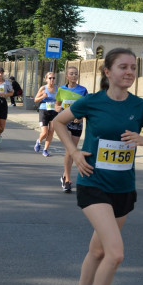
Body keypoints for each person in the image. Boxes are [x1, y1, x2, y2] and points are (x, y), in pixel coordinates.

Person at [53, 48, 143, 285]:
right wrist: (74, 153)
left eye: (133, 68)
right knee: (115, 253)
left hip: (123, 189)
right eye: (123, 67)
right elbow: (58, 123)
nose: (129, 72)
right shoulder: (92, 101)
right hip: (93, 184)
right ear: (107, 71)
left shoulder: (141, 107)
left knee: (98, 251)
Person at [55, 65, 88, 193]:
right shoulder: (61, 90)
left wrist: (81, 117)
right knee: (69, 150)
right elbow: (57, 104)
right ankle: (67, 180)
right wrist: (59, 110)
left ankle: (64, 175)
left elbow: (87, 107)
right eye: (72, 74)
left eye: (76, 74)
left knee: (72, 151)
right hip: (65, 123)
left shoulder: (83, 90)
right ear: (67, 76)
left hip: (77, 123)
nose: (74, 76)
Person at [33, 71, 58, 157]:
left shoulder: (57, 88)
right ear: (46, 79)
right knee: (44, 132)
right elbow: (35, 100)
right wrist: (43, 97)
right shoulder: (43, 88)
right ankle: (39, 141)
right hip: (43, 110)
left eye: (53, 78)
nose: (52, 80)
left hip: (54, 111)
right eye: (50, 78)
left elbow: (60, 100)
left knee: (51, 131)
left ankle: (45, 150)